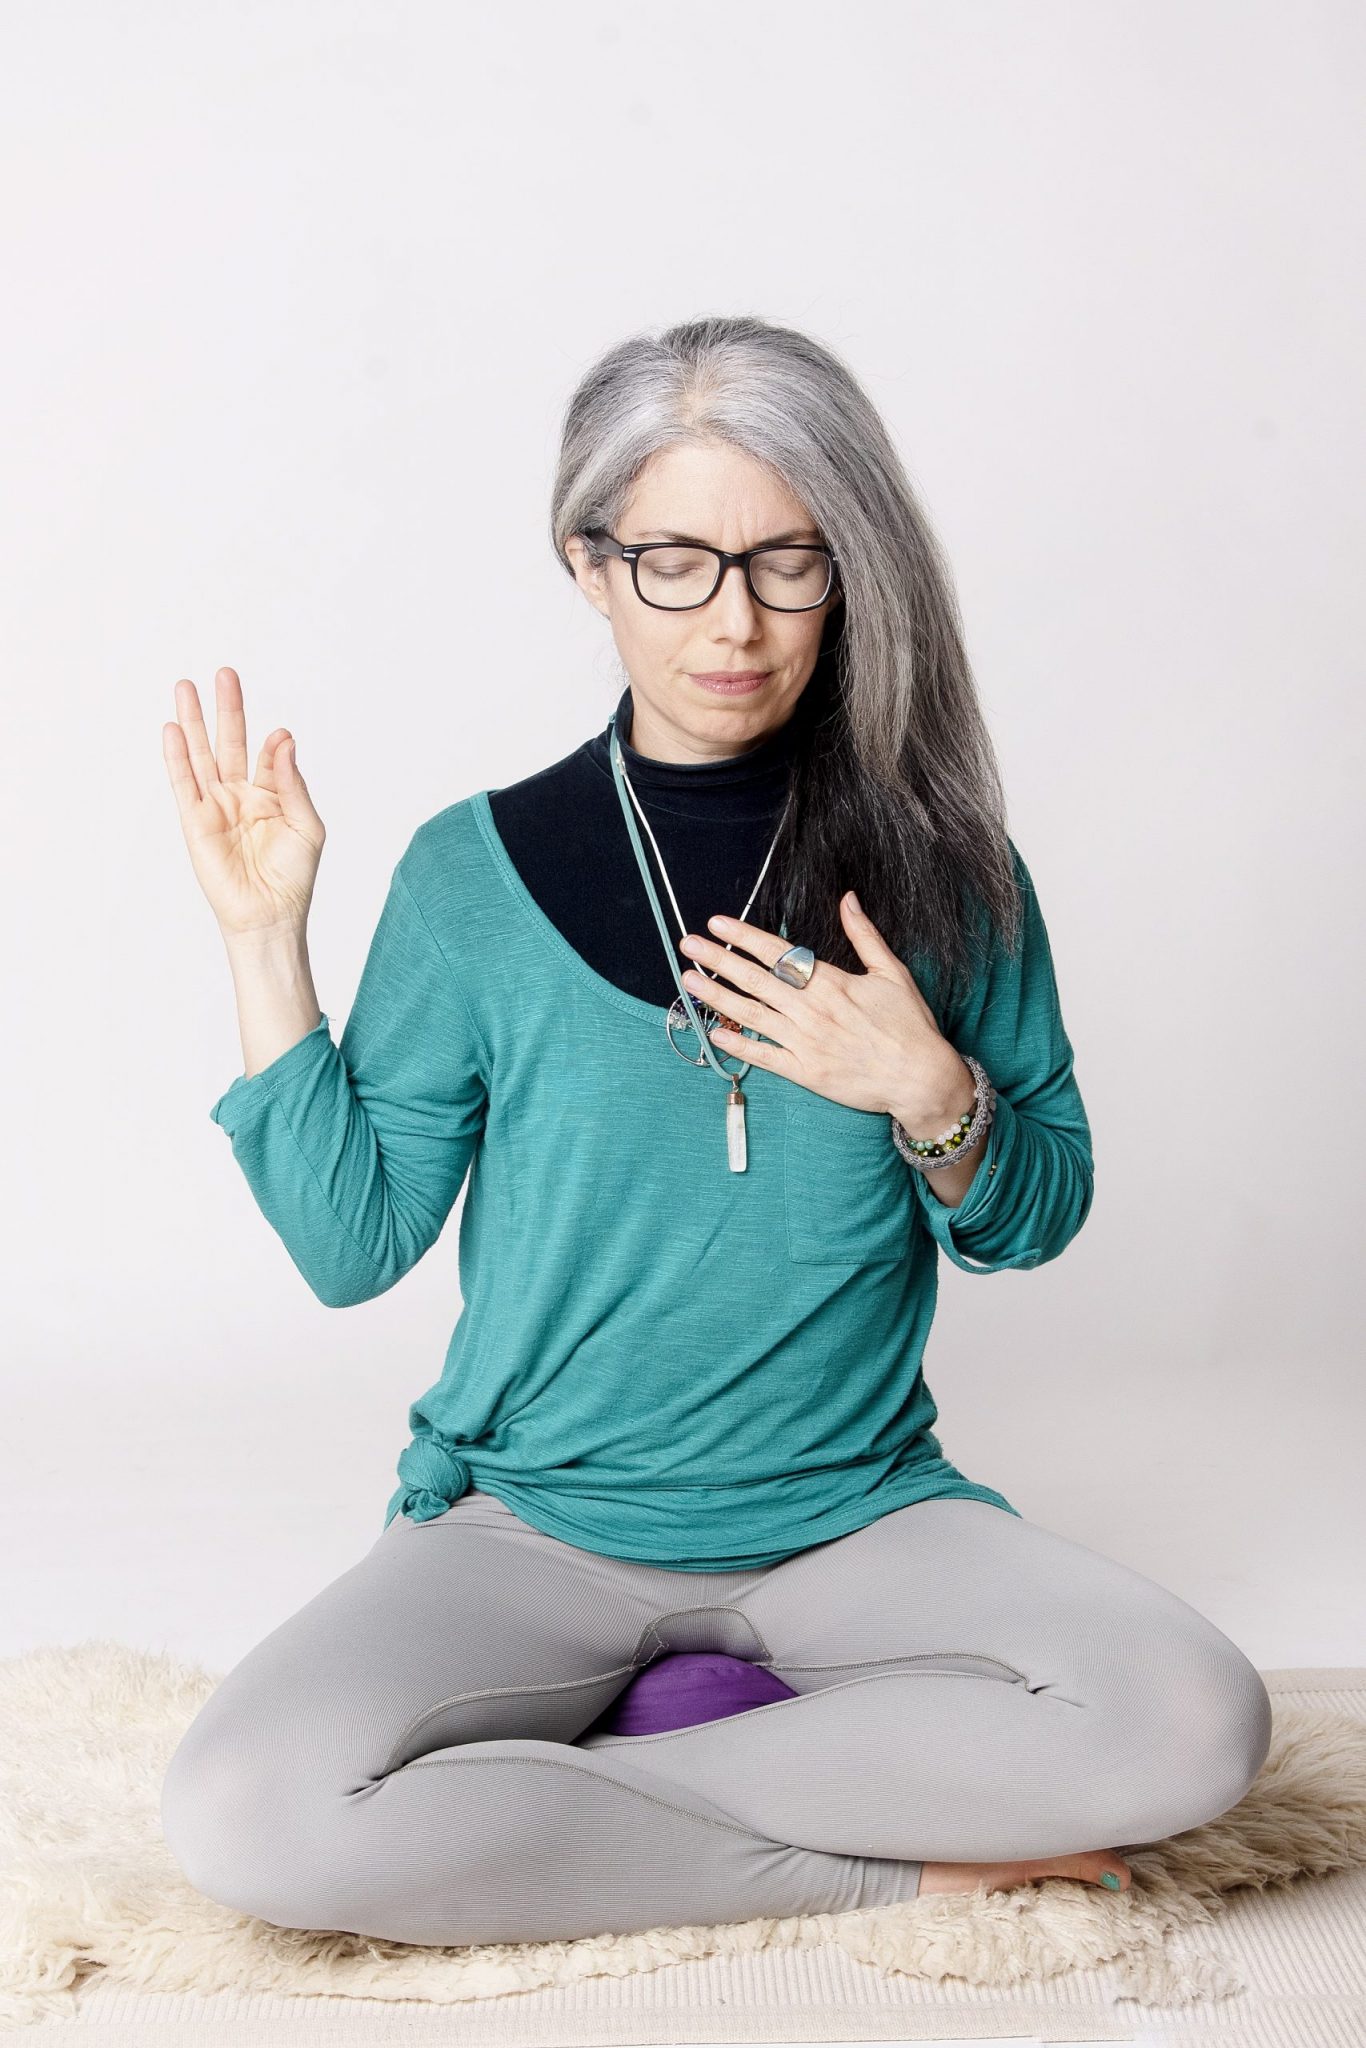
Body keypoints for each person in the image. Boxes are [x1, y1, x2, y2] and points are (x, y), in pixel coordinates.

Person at [156, 315, 1271, 1948]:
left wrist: (931, 1093)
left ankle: (568, 1787)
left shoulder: (948, 871)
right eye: (674, 563)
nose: (733, 621)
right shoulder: (470, 876)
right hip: (532, 1526)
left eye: (786, 562)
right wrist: (266, 945)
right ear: (588, 567)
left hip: (860, 1516)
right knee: (248, 1813)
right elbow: (349, 1246)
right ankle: (865, 1850)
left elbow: (1032, 1217)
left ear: (848, 571)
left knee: (1191, 1724)